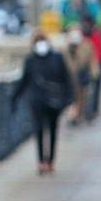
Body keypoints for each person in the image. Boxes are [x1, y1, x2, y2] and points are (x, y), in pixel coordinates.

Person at [10, 31, 74, 175]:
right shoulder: (31, 60)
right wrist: (14, 98)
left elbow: (66, 79)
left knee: (51, 130)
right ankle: (42, 161)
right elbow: (24, 81)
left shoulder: (56, 58)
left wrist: (69, 99)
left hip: (53, 101)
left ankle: (49, 160)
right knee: (39, 131)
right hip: (38, 102)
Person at [65, 27, 101, 126]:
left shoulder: (87, 45)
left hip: (82, 75)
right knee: (72, 98)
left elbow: (92, 61)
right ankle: (73, 116)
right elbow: (64, 63)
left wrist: (95, 72)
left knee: (83, 97)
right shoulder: (66, 48)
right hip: (70, 77)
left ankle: (80, 115)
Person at [82, 16, 101, 121]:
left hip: (96, 66)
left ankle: (93, 110)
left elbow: (100, 52)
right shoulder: (83, 35)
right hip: (85, 67)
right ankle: (86, 110)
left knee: (95, 89)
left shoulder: (96, 35)